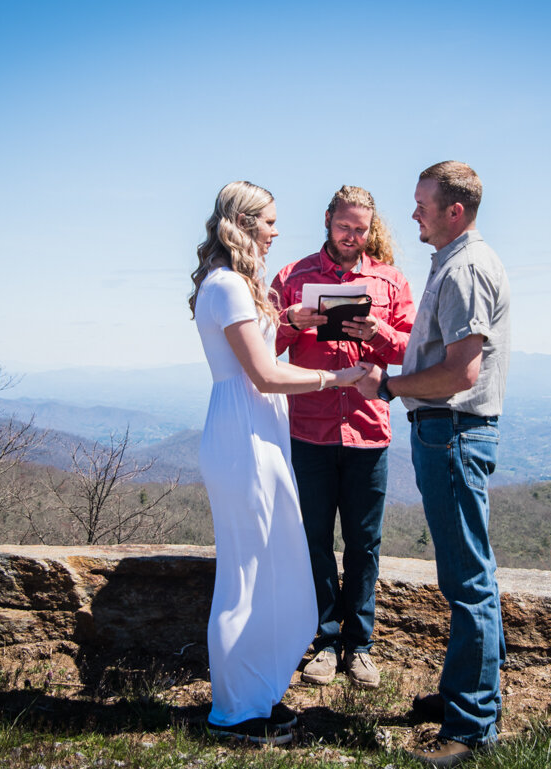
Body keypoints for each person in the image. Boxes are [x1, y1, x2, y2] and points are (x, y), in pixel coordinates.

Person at [188, 181, 365, 745]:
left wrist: (290, 322)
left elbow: (257, 360)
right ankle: (234, 712)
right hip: (244, 428)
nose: (276, 229)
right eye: (268, 220)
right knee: (245, 573)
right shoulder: (227, 287)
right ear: (242, 222)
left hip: (253, 425)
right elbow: (263, 375)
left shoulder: (235, 284)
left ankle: (257, 693)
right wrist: (337, 378)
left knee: (264, 565)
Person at [356, 161, 510, 767]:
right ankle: (466, 698)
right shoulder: (454, 262)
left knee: (468, 581)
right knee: (471, 573)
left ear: (455, 210)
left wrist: (390, 387)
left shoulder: (466, 268)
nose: (413, 213)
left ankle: (469, 730)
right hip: (449, 433)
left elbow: (460, 373)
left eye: (422, 203)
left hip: (451, 433)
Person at [270, 186, 415, 689]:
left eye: (361, 229)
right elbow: (261, 342)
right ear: (328, 220)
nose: (353, 237)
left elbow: (411, 349)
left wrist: (375, 330)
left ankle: (360, 646)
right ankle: (325, 643)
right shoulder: (292, 277)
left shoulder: (390, 279)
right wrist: (292, 321)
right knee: (313, 541)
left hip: (368, 431)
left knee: (364, 543)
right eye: (344, 227)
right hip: (307, 428)